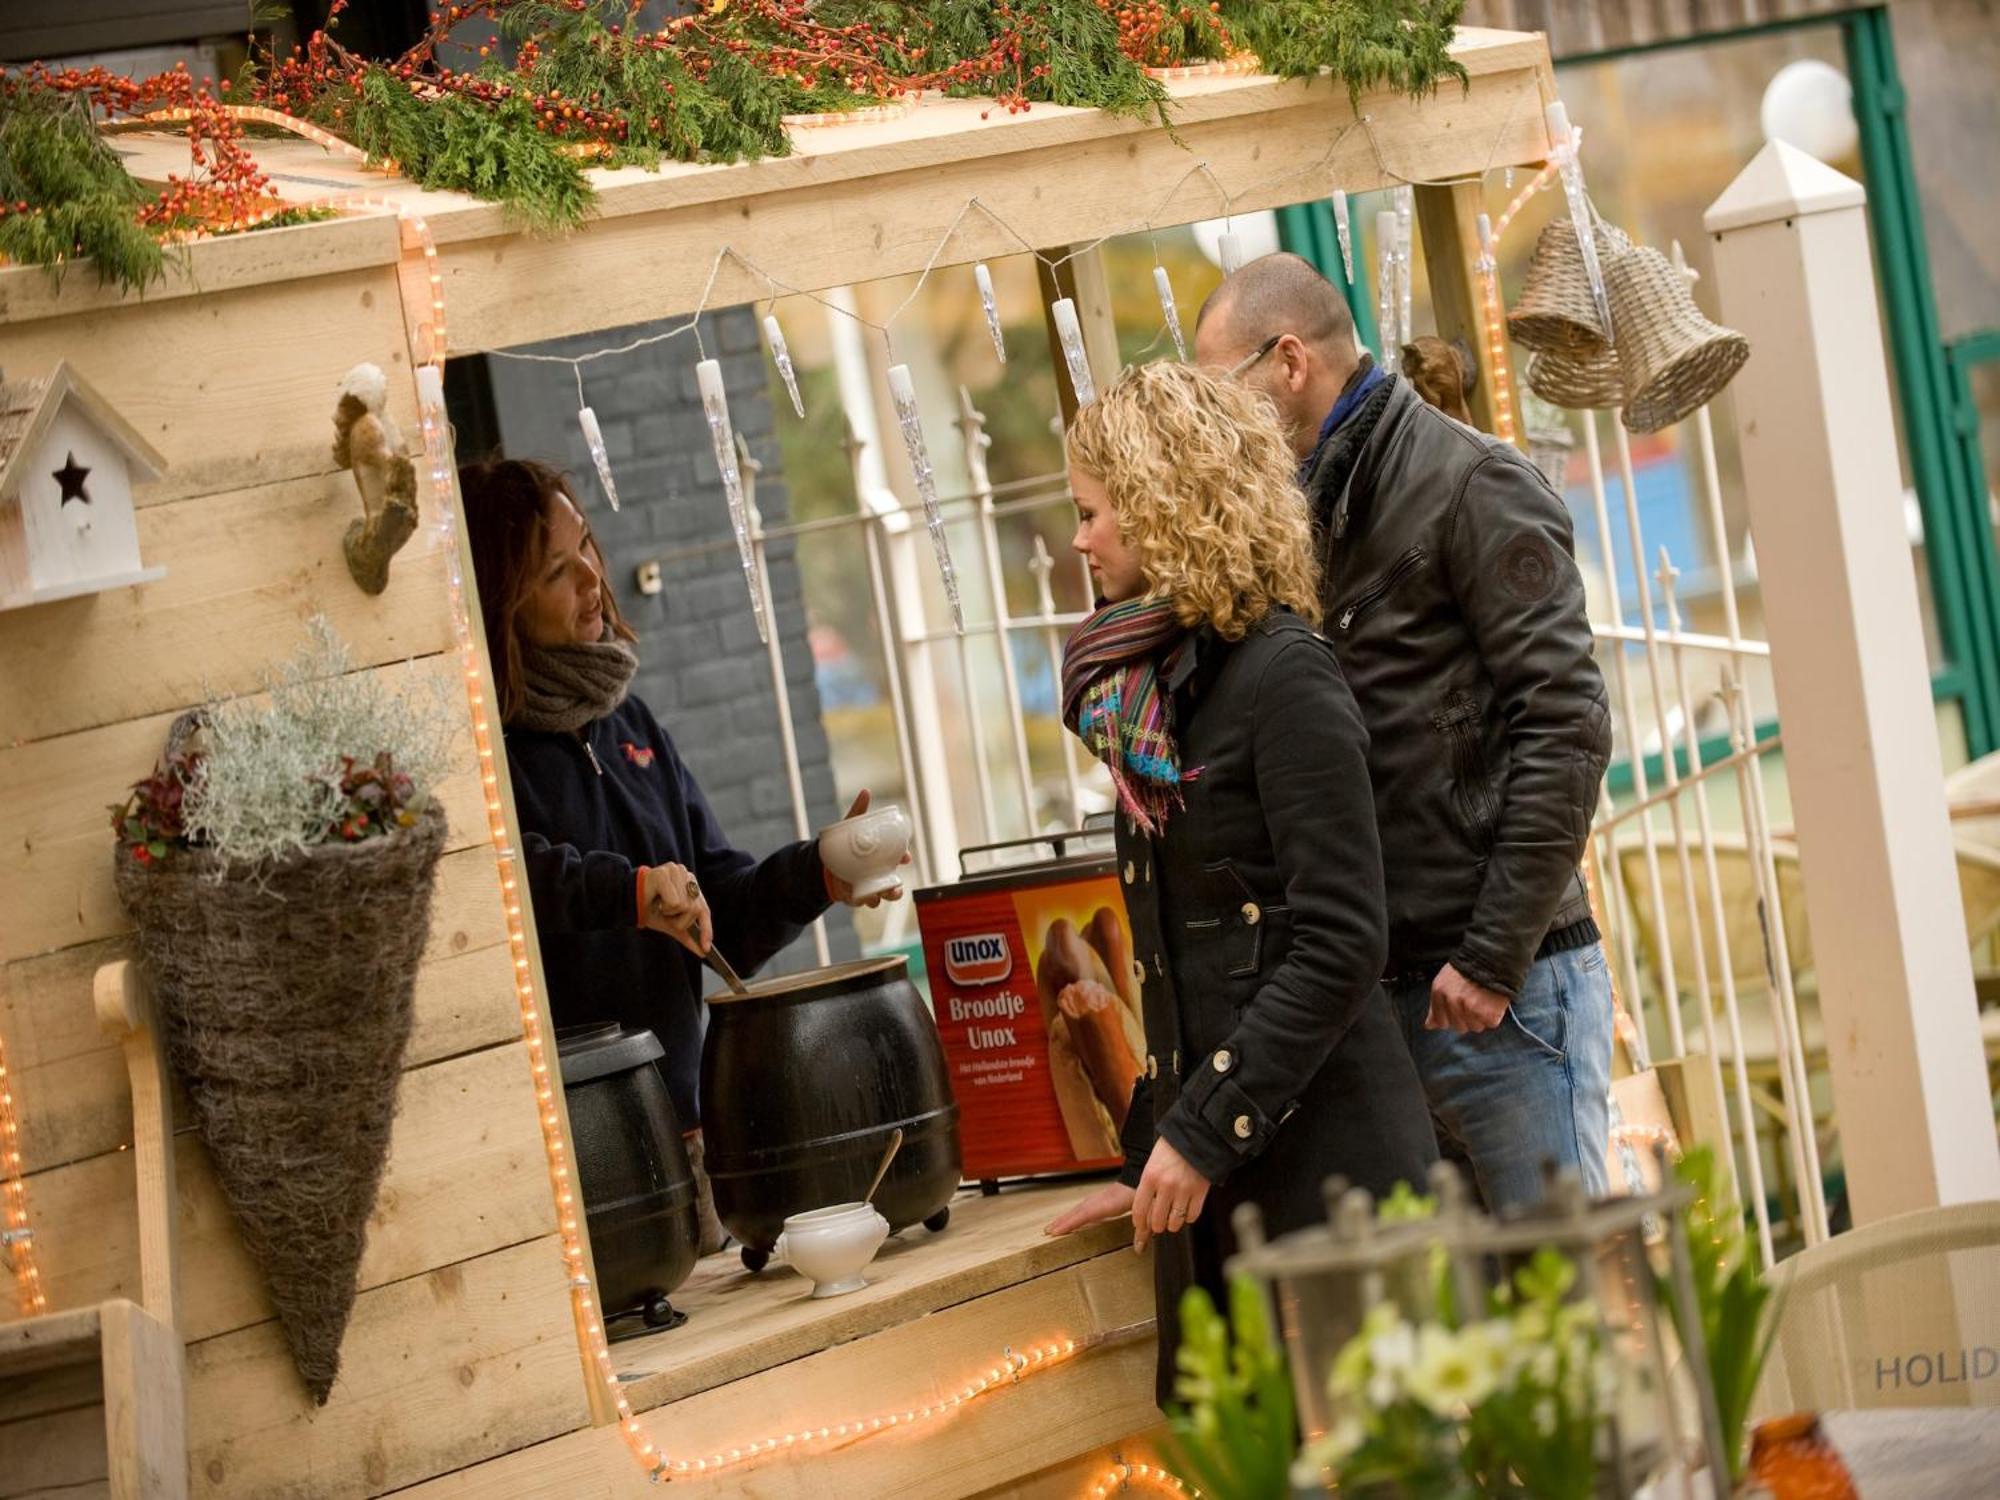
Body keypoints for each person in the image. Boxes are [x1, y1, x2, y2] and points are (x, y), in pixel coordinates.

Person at [1041, 362, 1437, 1407]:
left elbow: (1341, 938)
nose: (1078, 542)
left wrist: (1197, 1132)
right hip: (1225, 1186)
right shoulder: (1154, 689)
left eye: (1091, 513)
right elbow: (1182, 962)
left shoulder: (1282, 673)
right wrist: (1148, 1148)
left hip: (1328, 1186)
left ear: (1162, 501)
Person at [1193, 253, 1616, 1211]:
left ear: (1289, 361)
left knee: (1572, 1320)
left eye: (1223, 388)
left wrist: (1491, 957)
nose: (1215, 420)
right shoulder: (1303, 507)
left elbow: (1569, 727)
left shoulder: (1472, 483)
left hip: (1505, 995)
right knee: (1476, 1341)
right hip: (1397, 1003)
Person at [459, 457, 900, 1250]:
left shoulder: (634, 728)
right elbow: (512, 876)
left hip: (689, 1141)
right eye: (558, 570)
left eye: (588, 545)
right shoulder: (485, 757)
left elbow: (717, 910)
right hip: (582, 1165)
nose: (593, 577)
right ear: (501, 604)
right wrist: (629, 893)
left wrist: (819, 874)